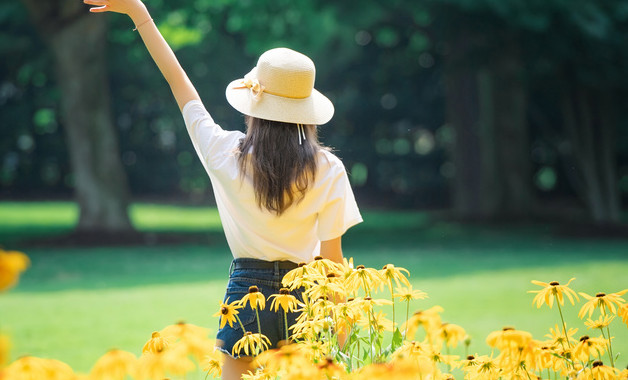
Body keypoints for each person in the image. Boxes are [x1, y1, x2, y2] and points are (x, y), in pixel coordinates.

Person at [83, 0, 363, 378]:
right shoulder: (328, 169)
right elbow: (332, 266)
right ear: (305, 112)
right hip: (307, 300)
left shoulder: (223, 152)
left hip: (245, 296)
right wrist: (341, 345)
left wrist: (138, 11)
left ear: (253, 104)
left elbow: (178, 81)